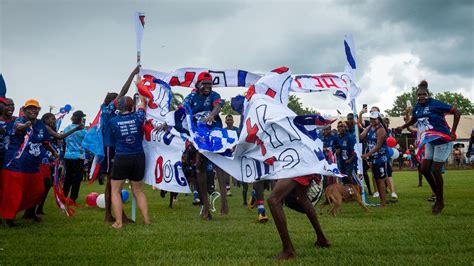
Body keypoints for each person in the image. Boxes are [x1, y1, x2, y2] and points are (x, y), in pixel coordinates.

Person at [398, 80, 461, 214]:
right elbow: (414, 119)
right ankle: (438, 197)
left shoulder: (436, 104)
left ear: (428, 94)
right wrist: (402, 127)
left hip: (443, 140)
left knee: (436, 170)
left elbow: (457, 112)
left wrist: (453, 132)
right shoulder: (417, 107)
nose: (421, 96)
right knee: (425, 169)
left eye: (423, 94)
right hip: (430, 141)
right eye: (419, 95)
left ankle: (440, 200)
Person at [0, 99, 58, 227]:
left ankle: (29, 213)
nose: (32, 110)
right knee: (14, 192)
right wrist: (25, 126)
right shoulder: (20, 120)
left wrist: (54, 152)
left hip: (32, 164)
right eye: (29, 108)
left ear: (39, 110)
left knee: (38, 190)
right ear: (24, 110)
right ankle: (8, 218)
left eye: (35, 108)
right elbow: (18, 127)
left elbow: (46, 142)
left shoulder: (40, 125)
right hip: (16, 164)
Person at [182, 71, 227, 220]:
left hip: (214, 134)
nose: (208, 86)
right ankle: (206, 206)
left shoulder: (214, 95)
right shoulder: (191, 97)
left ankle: (224, 202)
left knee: (219, 165)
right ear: (198, 84)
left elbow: (218, 106)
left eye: (210, 84)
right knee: (199, 167)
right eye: (205, 84)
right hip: (198, 136)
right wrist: (167, 123)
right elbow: (181, 110)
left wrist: (212, 115)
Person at [101, 66, 139, 223]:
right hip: (110, 147)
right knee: (113, 182)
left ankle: (113, 214)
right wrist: (132, 74)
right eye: (118, 101)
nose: (120, 104)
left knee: (116, 181)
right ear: (112, 102)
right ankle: (113, 215)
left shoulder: (111, 112)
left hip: (116, 147)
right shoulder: (108, 110)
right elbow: (123, 91)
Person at [109, 95, 150, 229]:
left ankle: (119, 222)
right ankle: (146, 220)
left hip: (122, 156)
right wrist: (141, 90)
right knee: (138, 191)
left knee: (115, 191)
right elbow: (143, 103)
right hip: (138, 156)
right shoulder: (138, 117)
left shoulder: (113, 121)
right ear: (132, 106)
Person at [267, 175, 330, 260]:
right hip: (302, 165)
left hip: (295, 166)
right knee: (302, 198)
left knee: (273, 199)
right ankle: (322, 239)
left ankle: (288, 251)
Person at [33, 113, 84, 215]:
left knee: (49, 183)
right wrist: (76, 129)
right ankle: (34, 209)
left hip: (53, 159)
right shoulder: (46, 127)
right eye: (52, 119)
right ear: (46, 119)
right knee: (45, 183)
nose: (54, 121)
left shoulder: (51, 128)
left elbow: (57, 141)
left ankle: (39, 208)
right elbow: (60, 136)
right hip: (44, 159)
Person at [359, 110, 388, 207]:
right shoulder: (369, 127)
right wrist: (357, 129)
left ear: (379, 119)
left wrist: (366, 155)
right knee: (376, 178)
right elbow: (361, 137)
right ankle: (381, 200)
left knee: (380, 180)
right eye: (371, 118)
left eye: (374, 119)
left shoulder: (381, 130)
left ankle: (383, 202)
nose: (372, 120)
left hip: (380, 157)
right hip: (372, 158)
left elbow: (378, 146)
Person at [63, 111, 87, 203]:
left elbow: (64, 140)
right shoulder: (83, 131)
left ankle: (64, 196)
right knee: (77, 178)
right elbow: (87, 142)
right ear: (80, 118)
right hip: (79, 156)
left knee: (68, 177)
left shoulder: (67, 128)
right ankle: (73, 198)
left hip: (68, 156)